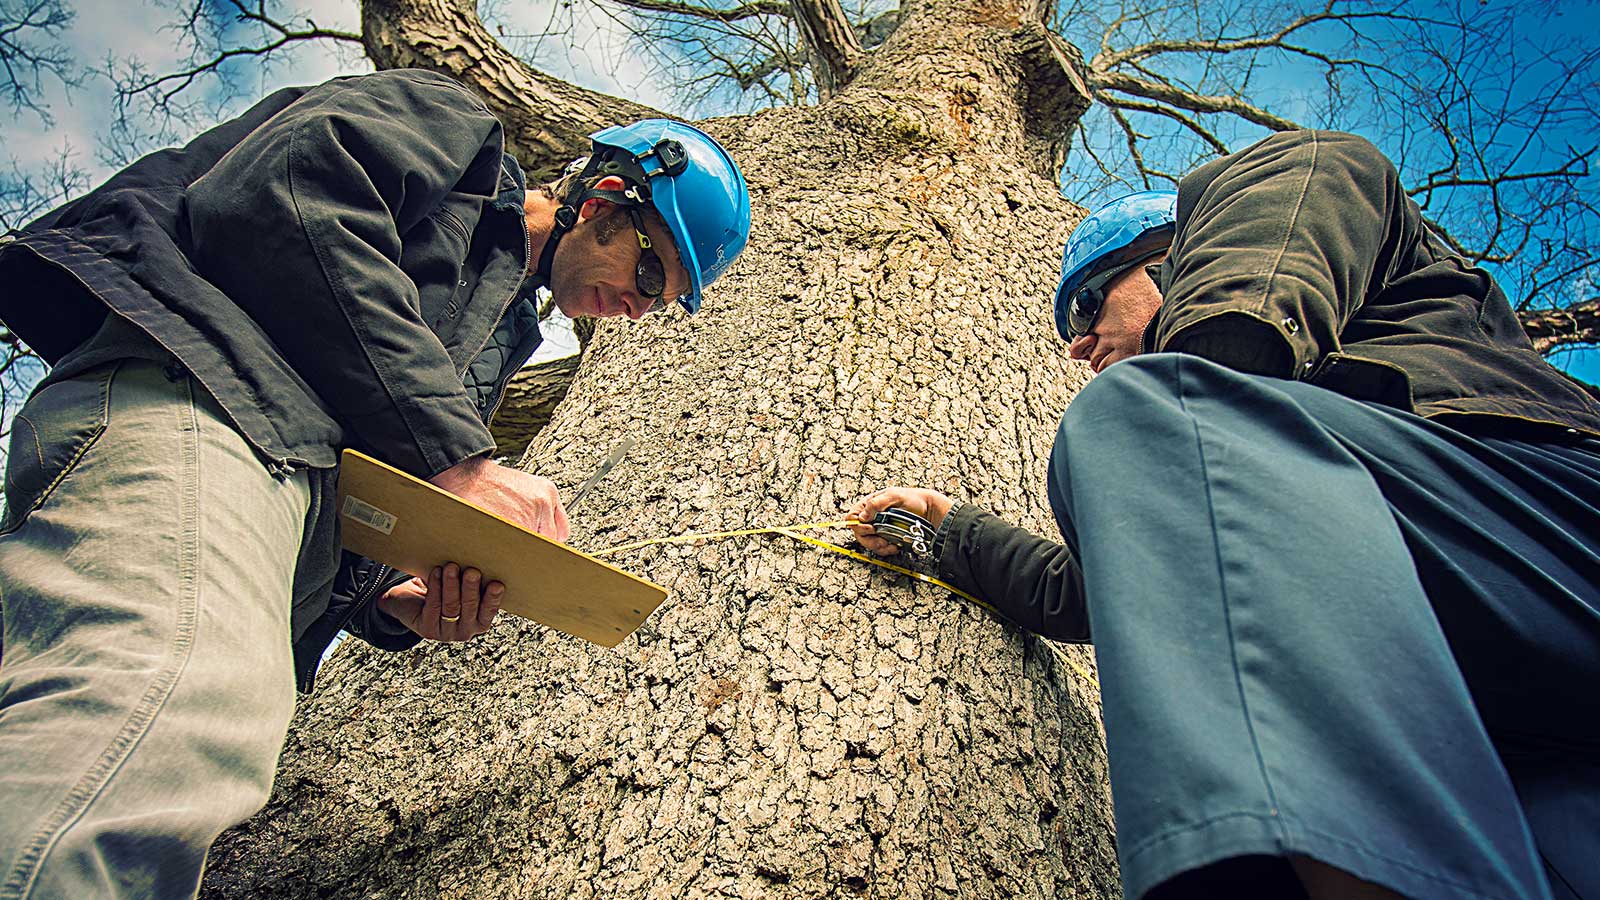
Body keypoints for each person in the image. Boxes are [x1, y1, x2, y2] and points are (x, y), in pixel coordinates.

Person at [0, 68, 750, 898]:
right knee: (162, 718)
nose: (640, 311)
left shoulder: (500, 332)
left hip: (275, 497)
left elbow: (357, 450)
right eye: (652, 276)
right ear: (606, 200)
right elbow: (283, 198)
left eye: (664, 301)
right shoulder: (455, 131)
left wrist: (389, 596)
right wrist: (461, 464)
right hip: (199, 401)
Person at [849, 130, 1599, 900]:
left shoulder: (1292, 172)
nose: (1076, 345)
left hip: (1551, 518)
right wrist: (951, 530)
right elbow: (1115, 583)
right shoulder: (1238, 468)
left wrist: (1163, 406)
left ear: (1168, 261)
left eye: (1086, 303)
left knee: (1136, 413)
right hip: (1518, 730)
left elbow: (1214, 364)